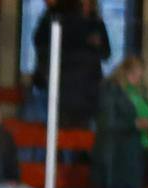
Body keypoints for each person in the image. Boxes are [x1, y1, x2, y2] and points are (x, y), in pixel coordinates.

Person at [32, 0, 108, 128]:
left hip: (86, 87)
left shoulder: (96, 23)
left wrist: (97, 44)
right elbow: (41, 42)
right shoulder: (57, 18)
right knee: (57, 128)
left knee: (83, 130)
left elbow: (106, 52)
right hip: (63, 84)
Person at [93, 56, 148, 188]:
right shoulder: (110, 91)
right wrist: (134, 124)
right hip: (115, 158)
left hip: (134, 156)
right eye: (134, 74)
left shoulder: (141, 93)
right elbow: (107, 123)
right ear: (125, 72)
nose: (137, 78)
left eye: (139, 75)